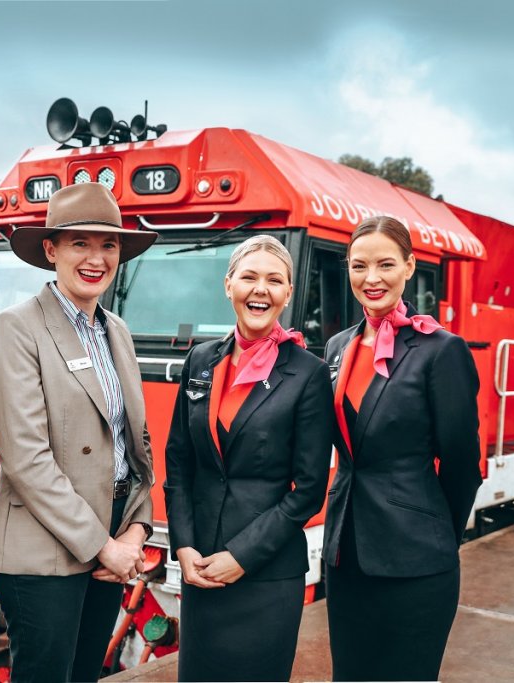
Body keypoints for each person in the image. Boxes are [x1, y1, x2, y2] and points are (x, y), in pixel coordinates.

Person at [0, 182, 157, 683]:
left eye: (108, 244)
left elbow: (135, 443)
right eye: (79, 242)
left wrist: (137, 529)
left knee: (83, 675)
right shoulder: (17, 328)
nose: (95, 258)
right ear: (51, 249)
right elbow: (26, 459)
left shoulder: (116, 330)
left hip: (110, 534)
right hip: (43, 552)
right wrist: (105, 547)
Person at [163, 235, 333, 682]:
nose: (261, 289)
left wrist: (241, 555)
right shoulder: (200, 360)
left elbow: (310, 489)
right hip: (200, 570)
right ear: (228, 285)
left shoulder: (308, 373)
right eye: (249, 277)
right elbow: (179, 461)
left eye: (275, 280)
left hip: (265, 576)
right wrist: (183, 546)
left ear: (289, 294)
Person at [323, 215, 482, 681]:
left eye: (385, 264)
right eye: (358, 266)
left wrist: (435, 534)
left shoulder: (440, 350)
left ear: (410, 267)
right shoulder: (336, 347)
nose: (371, 279)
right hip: (346, 554)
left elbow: (461, 465)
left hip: (416, 560)